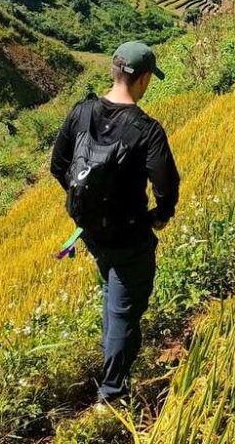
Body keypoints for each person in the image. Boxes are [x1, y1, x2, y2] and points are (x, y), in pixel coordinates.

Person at [50, 41, 180, 405]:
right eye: (149, 78)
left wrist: (86, 203)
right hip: (129, 233)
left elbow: (58, 165)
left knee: (113, 294)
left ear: (114, 71)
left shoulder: (81, 111)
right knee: (124, 307)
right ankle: (112, 394)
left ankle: (112, 371)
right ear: (140, 80)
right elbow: (166, 184)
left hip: (90, 230)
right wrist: (161, 215)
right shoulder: (147, 129)